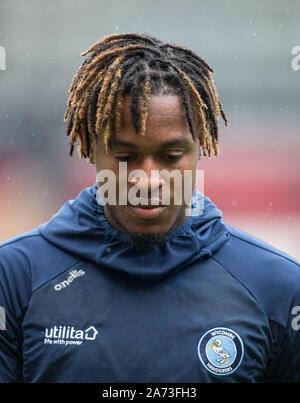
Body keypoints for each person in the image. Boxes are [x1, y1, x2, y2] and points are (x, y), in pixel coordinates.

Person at [0, 32, 299, 383]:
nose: (148, 179)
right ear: (87, 145)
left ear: (201, 146)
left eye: (171, 157)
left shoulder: (279, 288)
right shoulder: (15, 278)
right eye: (125, 157)